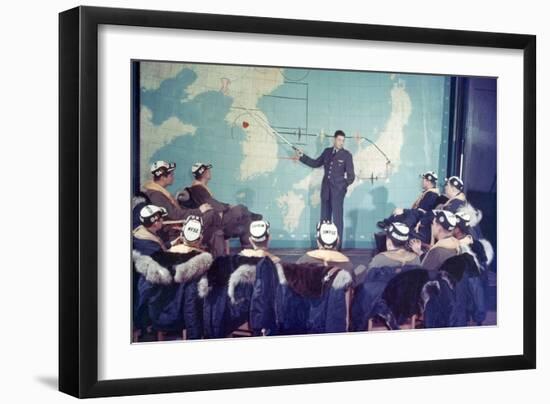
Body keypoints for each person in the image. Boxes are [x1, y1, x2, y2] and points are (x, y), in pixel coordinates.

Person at [141, 160, 225, 257]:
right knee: (211, 213)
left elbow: (175, 211)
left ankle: (219, 263)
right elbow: (174, 214)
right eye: (171, 175)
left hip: (179, 225)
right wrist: (199, 211)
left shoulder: (159, 192)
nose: (173, 177)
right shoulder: (156, 195)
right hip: (175, 232)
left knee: (216, 232)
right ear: (163, 177)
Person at [294, 130, 355, 250]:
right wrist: (302, 156)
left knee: (337, 220)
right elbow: (316, 163)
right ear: (334, 139)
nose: (341, 142)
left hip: (338, 192)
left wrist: (342, 187)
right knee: (324, 219)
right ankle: (323, 244)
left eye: (343, 140)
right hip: (326, 190)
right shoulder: (327, 152)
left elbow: (351, 176)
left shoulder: (347, 155)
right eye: (339, 140)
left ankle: (337, 247)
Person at [186, 162, 262, 248]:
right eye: (208, 171)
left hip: (219, 216)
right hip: (217, 220)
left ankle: (248, 249)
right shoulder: (197, 189)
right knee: (241, 208)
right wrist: (227, 207)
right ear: (203, 173)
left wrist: (228, 205)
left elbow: (213, 202)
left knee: (247, 221)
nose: (210, 172)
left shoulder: (200, 188)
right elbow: (213, 204)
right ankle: (254, 216)